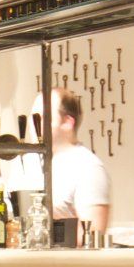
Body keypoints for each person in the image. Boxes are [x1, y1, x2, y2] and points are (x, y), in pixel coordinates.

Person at [51, 91, 111, 246]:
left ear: (67, 122)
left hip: (63, 266)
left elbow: (91, 237)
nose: (34, 123)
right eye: (33, 117)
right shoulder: (26, 162)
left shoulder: (88, 167)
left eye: (43, 117)